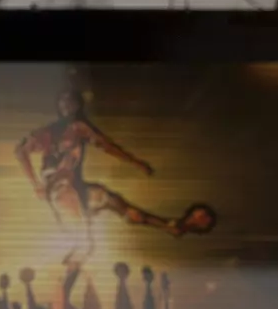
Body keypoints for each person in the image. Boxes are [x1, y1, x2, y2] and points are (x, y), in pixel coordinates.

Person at [14, 88, 216, 269]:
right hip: (61, 190)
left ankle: (169, 226)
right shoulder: (47, 133)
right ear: (59, 106)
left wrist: (136, 162)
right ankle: (70, 272)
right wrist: (36, 185)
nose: (69, 106)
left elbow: (107, 146)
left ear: (78, 106)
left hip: (78, 189)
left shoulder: (79, 128)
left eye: (73, 102)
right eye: (65, 101)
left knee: (117, 204)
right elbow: (20, 151)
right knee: (83, 244)